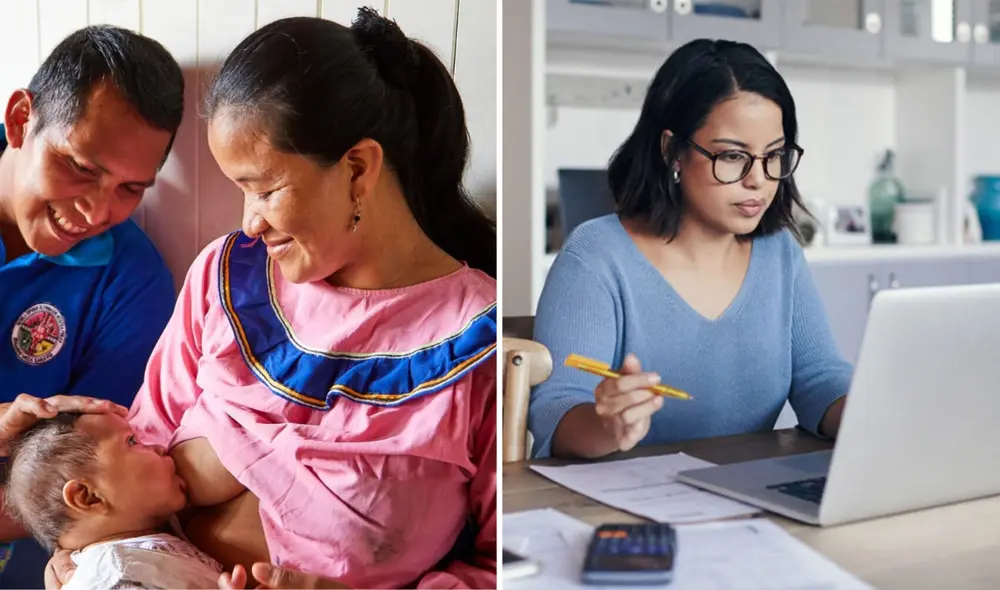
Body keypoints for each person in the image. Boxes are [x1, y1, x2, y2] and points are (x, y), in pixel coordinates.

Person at [40, 9, 497, 590]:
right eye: (239, 192)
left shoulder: (478, 347)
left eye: (265, 189)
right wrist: (73, 548)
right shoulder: (228, 277)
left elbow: (501, 567)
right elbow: (139, 441)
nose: (249, 223)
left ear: (358, 169)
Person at [528, 39, 852, 460]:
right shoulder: (597, 256)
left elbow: (819, 379)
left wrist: (874, 414)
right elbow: (556, 410)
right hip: (622, 510)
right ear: (673, 152)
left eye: (774, 156)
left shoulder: (780, 254)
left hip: (746, 499)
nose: (758, 180)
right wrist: (606, 425)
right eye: (733, 156)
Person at [0, 25, 183, 587]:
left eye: (131, 188)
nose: (96, 211)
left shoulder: (132, 280)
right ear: (19, 120)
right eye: (81, 166)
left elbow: (95, 493)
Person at [5, 412, 225, 590]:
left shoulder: (147, 541)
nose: (158, 447)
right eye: (132, 441)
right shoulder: (115, 576)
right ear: (87, 497)